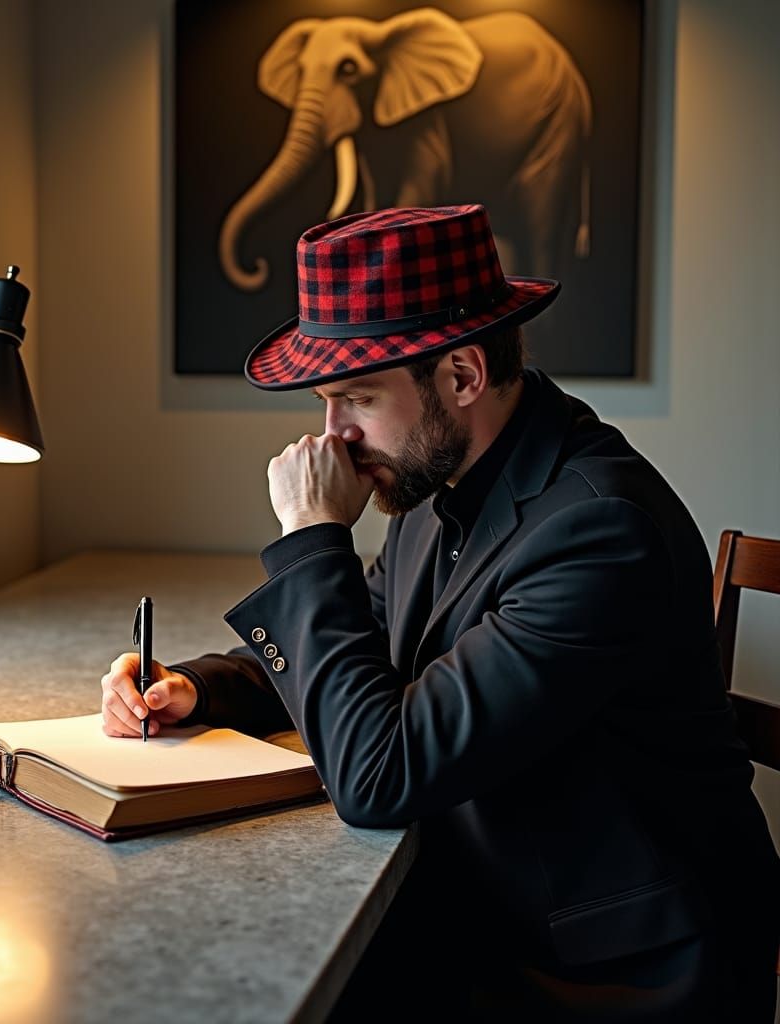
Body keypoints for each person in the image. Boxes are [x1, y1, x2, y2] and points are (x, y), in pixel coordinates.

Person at [101, 205, 779, 1020]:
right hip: (487, 905)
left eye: (356, 398)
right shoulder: (434, 478)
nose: (334, 438)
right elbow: (368, 653)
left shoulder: (600, 531)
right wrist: (198, 688)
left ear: (461, 377)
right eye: (325, 402)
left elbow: (378, 776)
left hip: (614, 974)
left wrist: (315, 538)